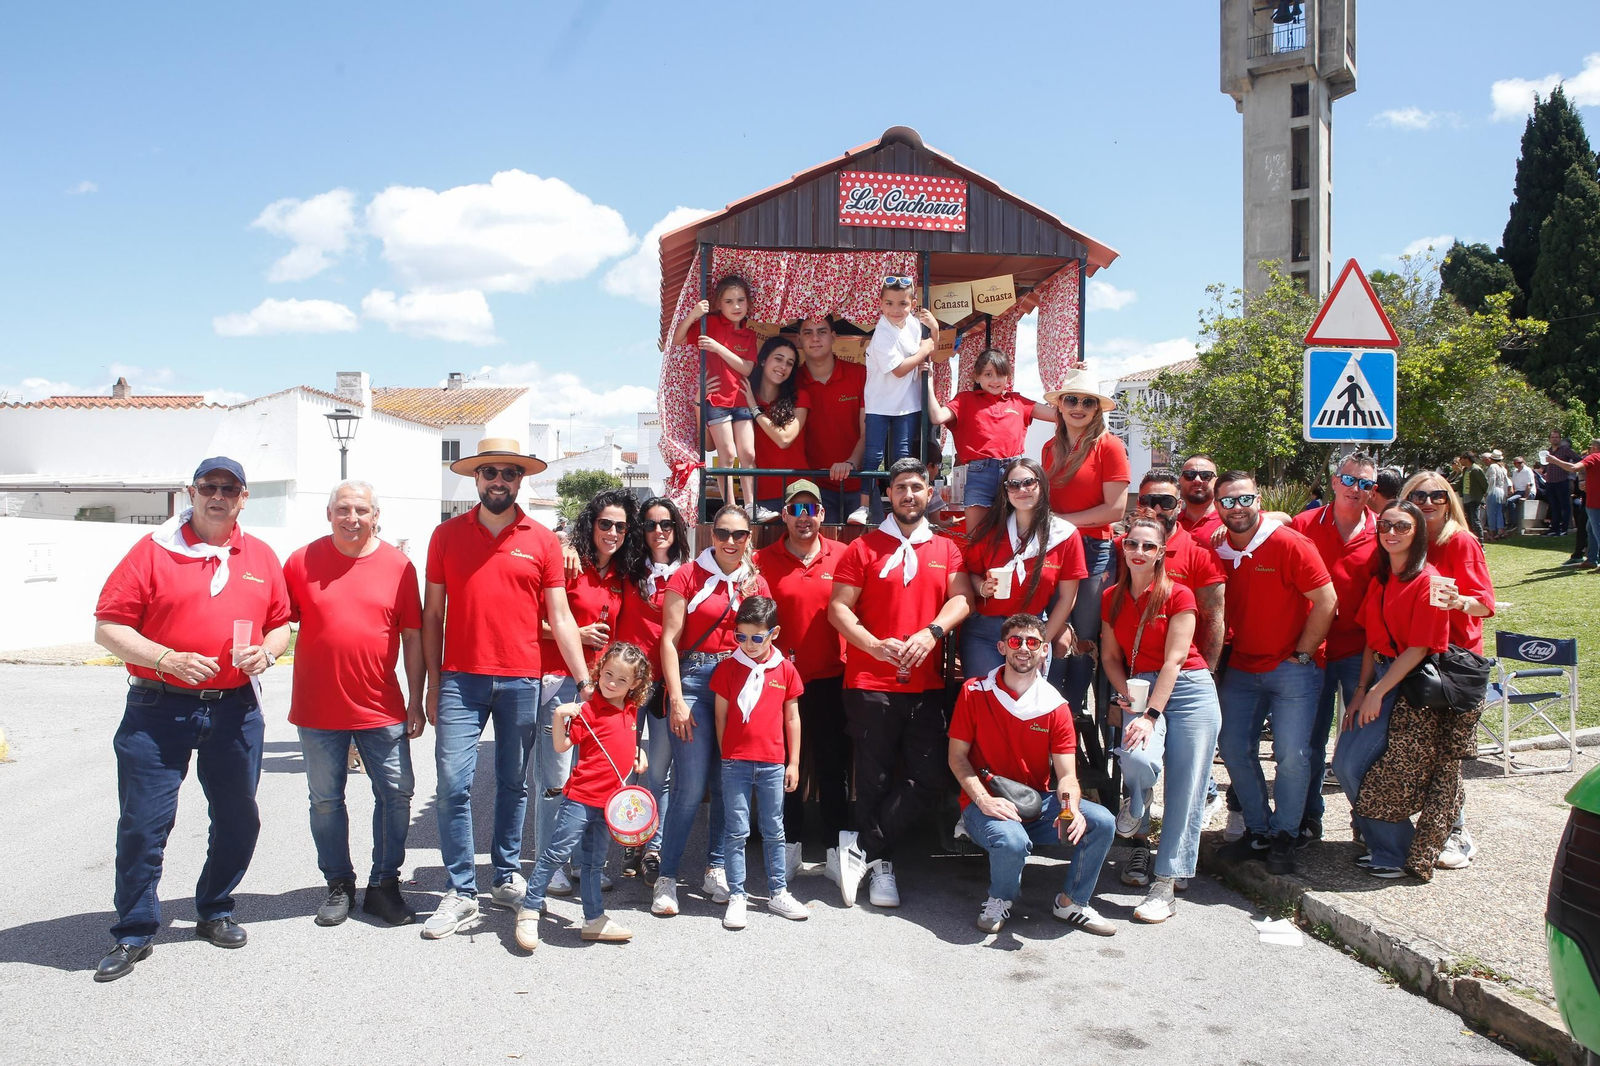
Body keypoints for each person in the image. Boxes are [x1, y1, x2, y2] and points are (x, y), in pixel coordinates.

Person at [91, 457, 292, 981]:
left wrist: (267, 655)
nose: (218, 495)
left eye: (230, 488)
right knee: (143, 823)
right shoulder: (152, 551)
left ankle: (215, 908)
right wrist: (166, 658)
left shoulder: (261, 556)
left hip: (235, 709)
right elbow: (109, 627)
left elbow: (280, 625)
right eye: (209, 487)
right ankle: (134, 930)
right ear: (192, 492)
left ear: (243, 498)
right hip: (159, 707)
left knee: (238, 817)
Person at [421, 438, 591, 940]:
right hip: (460, 679)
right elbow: (433, 614)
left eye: (509, 474)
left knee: (515, 784)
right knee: (453, 784)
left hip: (522, 678)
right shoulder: (445, 535)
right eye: (490, 473)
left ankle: (504, 876)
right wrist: (433, 682)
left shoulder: (541, 539)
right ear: (476, 479)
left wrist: (584, 684)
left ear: (521, 481)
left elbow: (560, 617)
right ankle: (459, 890)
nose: (499, 481)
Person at [829, 457, 974, 907]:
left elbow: (963, 599)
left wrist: (933, 633)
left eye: (917, 487)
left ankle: (861, 847)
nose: (909, 495)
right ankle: (882, 866)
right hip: (870, 680)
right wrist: (871, 645)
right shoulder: (864, 547)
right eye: (900, 488)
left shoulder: (947, 549)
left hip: (925, 685)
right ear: (888, 496)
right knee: (871, 779)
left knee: (929, 776)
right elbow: (838, 608)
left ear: (929, 494)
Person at [283, 480, 423, 928]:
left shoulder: (399, 566)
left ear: (376, 515)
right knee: (325, 800)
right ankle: (339, 883)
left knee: (397, 794)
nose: (352, 518)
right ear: (329, 514)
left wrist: (416, 700)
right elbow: (275, 622)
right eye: (343, 510)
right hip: (318, 709)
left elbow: (413, 637)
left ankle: (384, 885)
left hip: (381, 707)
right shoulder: (300, 562)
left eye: (361, 510)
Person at [947, 613, 1117, 936]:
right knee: (1012, 840)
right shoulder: (974, 691)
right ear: (1001, 647)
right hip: (984, 805)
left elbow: (1067, 775)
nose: (1023, 648)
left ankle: (1072, 901)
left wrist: (1070, 809)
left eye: (1033, 643)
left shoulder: (1055, 706)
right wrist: (983, 800)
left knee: (1103, 822)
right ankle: (1000, 899)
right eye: (1015, 641)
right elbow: (956, 758)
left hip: (1035, 804)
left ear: (1044, 652)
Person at [1210, 471, 1336, 877]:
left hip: (1292, 669)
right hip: (1242, 667)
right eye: (1227, 501)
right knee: (1231, 748)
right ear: (1217, 508)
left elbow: (1326, 600)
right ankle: (1259, 830)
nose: (1237, 508)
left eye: (1244, 498)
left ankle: (1286, 834)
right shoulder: (1219, 548)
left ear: (1258, 499)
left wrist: (1302, 654)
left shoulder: (1288, 542)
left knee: (1293, 757)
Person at [652, 505, 772, 916]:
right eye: (722, 532)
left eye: (739, 534)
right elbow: (669, 641)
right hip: (696, 680)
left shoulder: (756, 582)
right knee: (689, 786)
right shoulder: (687, 575)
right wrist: (677, 699)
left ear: (748, 537)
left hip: (739, 683)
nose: (730, 541)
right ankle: (666, 876)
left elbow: (765, 641)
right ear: (710, 534)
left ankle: (715, 866)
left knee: (729, 784)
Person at [1101, 517, 1222, 923]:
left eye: (1148, 547)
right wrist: (1125, 693)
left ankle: (1165, 884)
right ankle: (1137, 801)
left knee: (1185, 791)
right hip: (1139, 686)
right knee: (1136, 758)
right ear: (1123, 546)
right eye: (1132, 543)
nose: (1138, 552)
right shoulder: (1110, 598)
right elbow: (1109, 657)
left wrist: (1151, 714)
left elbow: (1175, 659)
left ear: (1161, 554)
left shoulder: (1179, 595)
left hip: (1187, 689)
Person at [1331, 500, 1451, 880]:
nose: (1392, 533)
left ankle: (1396, 850)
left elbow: (1418, 648)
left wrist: (1378, 692)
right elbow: (1371, 640)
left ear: (1418, 534)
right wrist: (1361, 689)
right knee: (1342, 766)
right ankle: (1382, 843)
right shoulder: (1382, 580)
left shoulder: (1430, 582)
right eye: (1386, 526)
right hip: (1378, 678)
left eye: (1402, 527)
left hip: (1406, 686)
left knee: (1357, 767)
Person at [515, 642, 651, 950]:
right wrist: (560, 715)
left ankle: (594, 919)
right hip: (580, 799)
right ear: (599, 671)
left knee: (594, 863)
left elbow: (621, 742)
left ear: (636, 684)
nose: (611, 683)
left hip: (610, 804)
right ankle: (530, 908)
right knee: (555, 854)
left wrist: (637, 754)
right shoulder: (587, 710)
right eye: (607, 674)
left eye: (621, 680)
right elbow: (562, 747)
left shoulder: (630, 711)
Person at [536, 489, 633, 897]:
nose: (612, 532)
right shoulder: (568, 563)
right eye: (605, 524)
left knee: (589, 779)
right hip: (561, 683)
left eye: (621, 526)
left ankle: (580, 862)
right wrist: (576, 632)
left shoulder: (622, 573)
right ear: (590, 524)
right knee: (557, 779)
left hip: (603, 692)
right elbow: (534, 620)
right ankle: (550, 863)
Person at [753, 480, 850, 876]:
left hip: (831, 677)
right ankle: (788, 843)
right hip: (779, 680)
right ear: (784, 516)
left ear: (822, 515)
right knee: (781, 767)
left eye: (811, 509)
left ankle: (837, 849)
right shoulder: (760, 560)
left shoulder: (844, 556)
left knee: (833, 766)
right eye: (796, 509)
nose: (804, 517)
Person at [1403, 471, 1497, 868]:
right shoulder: (1405, 538)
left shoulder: (1460, 541)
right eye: (1418, 495)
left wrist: (1459, 601)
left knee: (1446, 758)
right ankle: (1417, 832)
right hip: (1415, 657)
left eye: (1437, 495)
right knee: (1416, 754)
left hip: (1455, 663)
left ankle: (1454, 833)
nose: (1427, 502)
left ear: (1449, 500)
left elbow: (1485, 605)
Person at [1289, 453, 1379, 846]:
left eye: (1365, 484)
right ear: (1334, 481)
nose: (1356, 489)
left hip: (1363, 652)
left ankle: (1368, 821)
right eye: (1349, 479)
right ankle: (1309, 818)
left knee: (1366, 743)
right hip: (1314, 649)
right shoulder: (1305, 525)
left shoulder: (1384, 531)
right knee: (1309, 739)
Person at [710, 596, 811, 927]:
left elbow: (793, 718)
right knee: (736, 830)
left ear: (774, 633)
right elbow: (721, 715)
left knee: (774, 829)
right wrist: (727, 754)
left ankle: (777, 891)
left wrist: (793, 763)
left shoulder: (786, 670)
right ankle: (737, 895)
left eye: (757, 637)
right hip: (736, 763)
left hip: (772, 763)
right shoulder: (727, 668)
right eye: (741, 636)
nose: (748, 644)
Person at [1040, 367, 1131, 719]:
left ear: (1097, 410)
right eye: (1072, 399)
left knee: (1085, 638)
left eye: (1088, 402)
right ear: (1060, 405)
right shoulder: (1050, 448)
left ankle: (1072, 711)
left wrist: (1060, 523)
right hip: (1053, 549)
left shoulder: (1109, 446)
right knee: (1055, 631)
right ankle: (1050, 709)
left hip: (1092, 549)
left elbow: (1116, 509)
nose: (1079, 407)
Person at [614, 495, 691, 883]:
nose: (658, 531)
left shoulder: (691, 574)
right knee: (625, 765)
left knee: (659, 770)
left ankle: (653, 848)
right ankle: (631, 838)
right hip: (626, 687)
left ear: (677, 528)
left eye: (666, 524)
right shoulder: (626, 569)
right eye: (649, 525)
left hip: (664, 684)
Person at [960, 457, 1086, 680]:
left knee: (1024, 708)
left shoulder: (1064, 535)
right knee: (985, 704)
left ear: (1042, 485)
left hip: (1031, 632)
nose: (1022, 490)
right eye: (1013, 485)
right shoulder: (990, 530)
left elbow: (1068, 597)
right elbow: (968, 572)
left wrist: (1041, 643)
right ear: (1006, 491)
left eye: (1029, 482)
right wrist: (982, 587)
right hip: (985, 631)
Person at [924, 349, 1048, 531]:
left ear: (1007, 377)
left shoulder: (1018, 402)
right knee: (976, 538)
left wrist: (1074, 380)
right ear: (977, 377)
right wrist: (927, 381)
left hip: (1014, 474)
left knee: (1018, 535)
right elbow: (936, 417)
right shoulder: (965, 400)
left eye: (1000, 374)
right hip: (980, 473)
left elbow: (1058, 415)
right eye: (988, 374)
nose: (995, 380)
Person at [849, 276, 938, 525]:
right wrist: (923, 350)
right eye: (889, 303)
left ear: (912, 303)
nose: (896, 310)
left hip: (907, 403)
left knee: (902, 457)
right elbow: (900, 369)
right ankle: (864, 506)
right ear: (880, 304)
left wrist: (935, 328)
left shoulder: (912, 323)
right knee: (873, 456)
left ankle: (904, 505)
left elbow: (931, 348)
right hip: (879, 403)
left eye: (902, 303)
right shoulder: (882, 333)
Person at [677, 276, 761, 519]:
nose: (736, 306)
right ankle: (731, 507)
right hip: (716, 400)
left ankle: (751, 504)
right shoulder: (710, 323)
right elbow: (678, 338)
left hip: (742, 400)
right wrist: (694, 315)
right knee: (728, 454)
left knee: (749, 454)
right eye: (729, 301)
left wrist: (717, 348)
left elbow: (746, 368)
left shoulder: (749, 334)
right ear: (719, 305)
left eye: (741, 300)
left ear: (748, 303)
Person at [795, 315, 867, 519]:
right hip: (810, 489)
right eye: (808, 332)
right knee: (814, 551)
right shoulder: (791, 381)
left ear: (834, 337)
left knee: (870, 548)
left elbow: (869, 431)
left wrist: (851, 464)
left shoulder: (860, 374)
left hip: (860, 486)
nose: (815, 338)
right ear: (799, 340)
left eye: (822, 332)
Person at [743, 335, 810, 521]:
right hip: (762, 496)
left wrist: (754, 409)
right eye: (778, 359)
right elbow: (709, 446)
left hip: (799, 492)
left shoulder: (800, 397)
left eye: (790, 363)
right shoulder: (747, 397)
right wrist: (701, 403)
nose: (783, 366)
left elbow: (784, 440)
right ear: (763, 360)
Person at [1544, 438, 1600, 570]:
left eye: (1591, 447)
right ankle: (1592, 559)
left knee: (1597, 532)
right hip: (1595, 501)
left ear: (1594, 448)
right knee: (1590, 530)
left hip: (1595, 503)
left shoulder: (1594, 457)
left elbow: (1573, 468)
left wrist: (1554, 460)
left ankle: (1593, 560)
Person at [1178, 455, 1224, 542]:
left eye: (1206, 475)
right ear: (1179, 481)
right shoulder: (1170, 525)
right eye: (1189, 475)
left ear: (1216, 482)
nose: (1197, 480)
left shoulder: (1230, 524)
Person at [1543, 431, 1579, 536]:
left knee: (1565, 506)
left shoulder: (1565, 450)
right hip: (1550, 482)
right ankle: (1554, 528)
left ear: (1560, 439)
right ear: (1549, 439)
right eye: (1553, 437)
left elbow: (1578, 459)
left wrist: (1571, 469)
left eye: (1557, 437)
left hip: (1562, 481)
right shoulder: (1548, 452)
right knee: (1554, 506)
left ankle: (1564, 528)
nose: (1555, 439)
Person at [1453, 452, 1487, 541]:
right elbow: (1459, 482)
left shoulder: (1476, 470)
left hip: (1474, 499)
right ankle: (1471, 541)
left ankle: (1481, 543)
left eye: (1461, 459)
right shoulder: (1465, 470)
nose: (1460, 461)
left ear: (1466, 459)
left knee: (1475, 521)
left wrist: (1481, 496)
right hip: (1466, 499)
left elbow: (1484, 484)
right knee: (1468, 522)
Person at [1484, 451, 1509, 541]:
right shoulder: (1502, 468)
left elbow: (1492, 480)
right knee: (1499, 512)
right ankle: (1500, 531)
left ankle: (1492, 532)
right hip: (1501, 490)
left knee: (1491, 512)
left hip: (1493, 490)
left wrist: (1488, 492)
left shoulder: (1492, 467)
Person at [1508, 455, 1537, 533]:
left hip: (1527, 492)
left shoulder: (1527, 470)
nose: (1520, 464)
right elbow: (1513, 483)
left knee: (1510, 501)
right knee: (1504, 501)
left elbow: (1529, 485)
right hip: (1518, 492)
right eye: (1518, 463)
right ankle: (1507, 523)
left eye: (1521, 462)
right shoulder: (1515, 472)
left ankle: (1513, 523)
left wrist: (1526, 497)